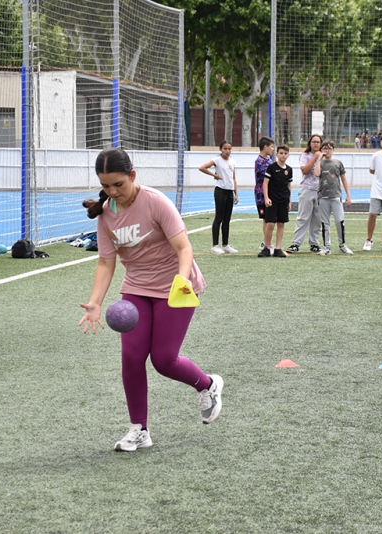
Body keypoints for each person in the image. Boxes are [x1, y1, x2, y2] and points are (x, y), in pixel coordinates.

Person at [79, 147, 223, 452]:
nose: (112, 192)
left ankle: (207, 385)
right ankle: (139, 429)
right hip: (137, 288)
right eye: (106, 186)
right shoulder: (105, 216)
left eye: (118, 184)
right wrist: (95, 302)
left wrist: (182, 279)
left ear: (132, 176)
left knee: (163, 360)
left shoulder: (156, 202)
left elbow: (184, 249)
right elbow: (106, 263)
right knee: (131, 357)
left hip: (176, 286)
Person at [313, 139, 353, 255]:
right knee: (325, 223)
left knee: (339, 221)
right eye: (325, 148)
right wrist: (319, 158)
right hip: (323, 197)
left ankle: (342, 245)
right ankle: (327, 247)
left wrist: (348, 195)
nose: (327, 150)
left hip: (336, 197)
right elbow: (316, 174)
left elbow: (344, 179)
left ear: (333, 150)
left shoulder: (338, 163)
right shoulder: (319, 163)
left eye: (329, 148)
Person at [199, 140, 239, 255]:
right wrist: (214, 175)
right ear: (220, 149)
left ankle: (225, 245)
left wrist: (236, 193)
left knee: (227, 219)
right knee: (219, 218)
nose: (227, 151)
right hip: (220, 191)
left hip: (229, 192)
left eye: (229, 149)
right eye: (225, 149)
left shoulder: (232, 161)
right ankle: (215, 245)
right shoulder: (217, 160)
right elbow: (202, 167)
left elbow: (234, 178)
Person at [286, 135, 323, 254]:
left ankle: (314, 243)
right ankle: (296, 243)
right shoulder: (305, 156)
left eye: (318, 142)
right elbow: (305, 170)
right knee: (303, 217)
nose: (316, 144)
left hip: (320, 191)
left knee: (317, 219)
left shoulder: (324, 156)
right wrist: (315, 157)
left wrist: (320, 157)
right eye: (314, 142)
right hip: (307, 189)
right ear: (310, 143)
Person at [260, 144, 293, 258]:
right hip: (272, 200)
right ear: (277, 154)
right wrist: (266, 198)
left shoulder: (289, 170)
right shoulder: (271, 167)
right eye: (281, 153)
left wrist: (289, 201)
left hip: (283, 201)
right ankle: (267, 248)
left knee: (281, 224)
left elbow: (289, 185)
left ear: (288, 155)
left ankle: (278, 248)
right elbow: (265, 183)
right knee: (270, 224)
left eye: (285, 153)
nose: (283, 155)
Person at [254, 136, 274, 251]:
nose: (272, 149)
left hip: (270, 192)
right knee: (266, 219)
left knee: (269, 218)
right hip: (261, 194)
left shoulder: (269, 160)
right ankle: (267, 243)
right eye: (271, 147)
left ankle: (267, 241)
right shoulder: (260, 162)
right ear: (265, 147)